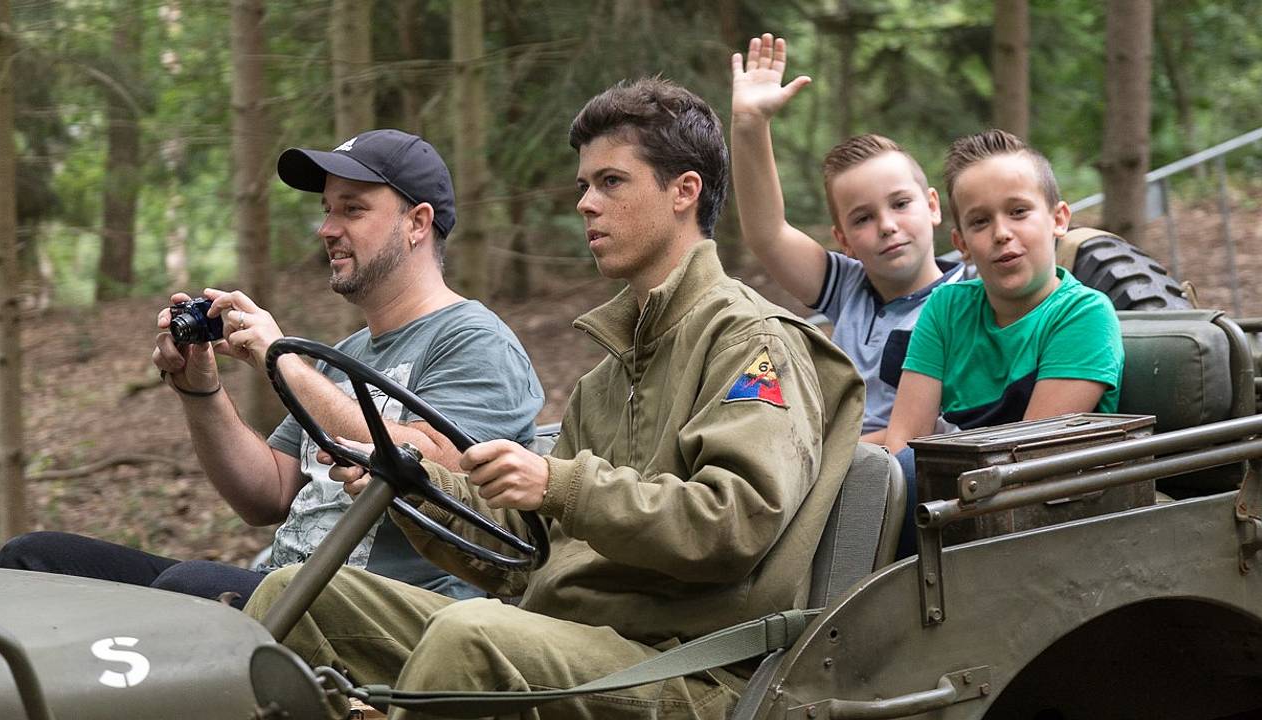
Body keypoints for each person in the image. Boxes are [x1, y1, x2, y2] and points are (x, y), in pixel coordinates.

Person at [245, 78, 865, 720]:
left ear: (684, 191)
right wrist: (412, 481)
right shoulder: (608, 376)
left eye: (611, 183)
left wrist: (561, 485)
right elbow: (526, 548)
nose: (586, 205)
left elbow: (731, 523)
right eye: (582, 187)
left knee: (474, 636)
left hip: (689, 667)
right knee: (295, 593)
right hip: (571, 638)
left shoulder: (750, 343)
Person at [0, 129, 545, 609]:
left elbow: (439, 471)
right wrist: (202, 391)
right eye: (327, 210)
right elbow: (267, 495)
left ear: (417, 222)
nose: (327, 229)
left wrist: (280, 358)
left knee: (188, 589)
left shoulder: (475, 340)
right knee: (35, 560)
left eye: (352, 209)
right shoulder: (347, 352)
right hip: (279, 586)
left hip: (385, 616)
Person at [884, 128, 1124, 555]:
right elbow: (905, 438)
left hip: (1044, 510)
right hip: (951, 504)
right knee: (873, 470)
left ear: (1059, 219)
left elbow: (1026, 458)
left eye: (1018, 211)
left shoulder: (1084, 315)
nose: (1001, 233)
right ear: (961, 244)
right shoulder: (945, 308)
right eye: (980, 221)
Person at [730, 33, 961, 443]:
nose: (887, 225)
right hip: (839, 460)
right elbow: (767, 234)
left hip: (900, 470)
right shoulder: (849, 288)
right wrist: (750, 126)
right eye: (863, 218)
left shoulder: (968, 295)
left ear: (933, 206)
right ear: (845, 240)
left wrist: (834, 451)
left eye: (900, 204)